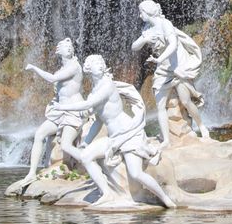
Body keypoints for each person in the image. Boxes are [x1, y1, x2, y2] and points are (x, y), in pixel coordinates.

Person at [55, 54, 175, 208]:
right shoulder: (94, 91)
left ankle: (166, 199)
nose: (100, 65)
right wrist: (86, 142)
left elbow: (87, 104)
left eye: (101, 62)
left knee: (136, 173)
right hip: (114, 138)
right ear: (87, 68)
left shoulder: (107, 85)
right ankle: (107, 193)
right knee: (85, 156)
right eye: (96, 63)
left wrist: (63, 107)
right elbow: (98, 121)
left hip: (128, 133)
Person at [132, 0, 209, 148]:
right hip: (162, 69)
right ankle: (166, 140)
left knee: (186, 101)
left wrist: (159, 58)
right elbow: (134, 46)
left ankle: (202, 127)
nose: (140, 15)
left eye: (141, 12)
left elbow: (173, 44)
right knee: (160, 105)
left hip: (177, 67)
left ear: (148, 12)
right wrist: (144, 40)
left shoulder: (164, 24)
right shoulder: (147, 29)